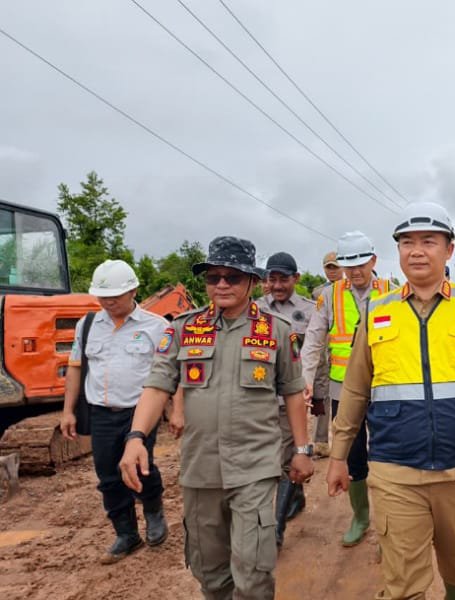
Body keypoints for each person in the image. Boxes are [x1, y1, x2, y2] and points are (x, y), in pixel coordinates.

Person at [326, 202, 455, 600]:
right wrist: (338, 454)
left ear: (449, 250)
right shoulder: (377, 310)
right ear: (397, 251)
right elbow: (355, 389)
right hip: (395, 471)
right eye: (407, 242)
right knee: (403, 581)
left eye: (428, 241)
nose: (417, 251)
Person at [119, 236, 313, 600]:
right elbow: (157, 386)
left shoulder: (276, 332)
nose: (221, 284)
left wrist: (302, 448)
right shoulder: (182, 329)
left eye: (233, 277)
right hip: (200, 469)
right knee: (210, 573)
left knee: (254, 573)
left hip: (254, 467)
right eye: (213, 277)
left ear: (252, 282)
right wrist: (135, 438)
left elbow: (292, 392)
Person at [59, 259, 170, 564]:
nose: (108, 302)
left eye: (115, 296)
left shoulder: (157, 327)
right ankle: (126, 533)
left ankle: (153, 511)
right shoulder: (88, 325)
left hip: (139, 412)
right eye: (102, 296)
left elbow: (170, 375)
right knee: (108, 475)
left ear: (134, 290)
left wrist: (176, 411)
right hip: (101, 412)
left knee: (140, 468)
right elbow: (75, 368)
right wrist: (68, 411)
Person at [301, 231, 392, 547]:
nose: (355, 272)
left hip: (383, 387)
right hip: (342, 389)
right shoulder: (330, 296)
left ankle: (389, 522)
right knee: (352, 454)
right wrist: (306, 379)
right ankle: (361, 516)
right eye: (348, 265)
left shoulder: (392, 292)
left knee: (386, 453)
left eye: (360, 264)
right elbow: (313, 339)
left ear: (374, 261)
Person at [258, 251, 318, 546]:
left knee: (285, 460)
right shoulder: (253, 309)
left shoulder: (309, 311)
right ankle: (296, 497)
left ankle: (276, 530)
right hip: (257, 399)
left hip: (289, 399)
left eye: (284, 279)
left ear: (296, 278)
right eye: (273, 279)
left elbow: (315, 352)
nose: (277, 285)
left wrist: (313, 391)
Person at [310, 251, 344, 457]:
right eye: (328, 267)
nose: (332, 271)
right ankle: (321, 443)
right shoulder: (318, 293)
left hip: (341, 352)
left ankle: (343, 444)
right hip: (323, 352)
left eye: (335, 267)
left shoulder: (349, 291)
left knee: (343, 402)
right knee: (321, 397)